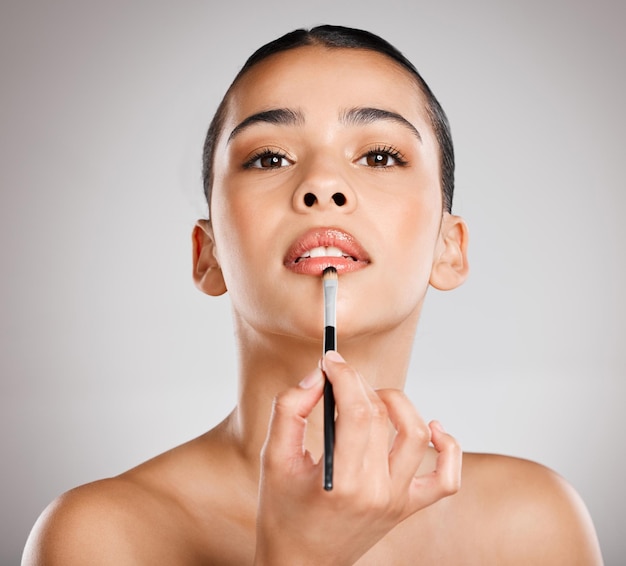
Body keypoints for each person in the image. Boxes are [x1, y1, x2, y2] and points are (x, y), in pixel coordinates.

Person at [22, 25, 603, 565]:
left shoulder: (533, 525)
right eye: (269, 157)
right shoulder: (100, 536)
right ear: (208, 253)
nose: (322, 185)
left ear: (448, 248)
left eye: (380, 155)